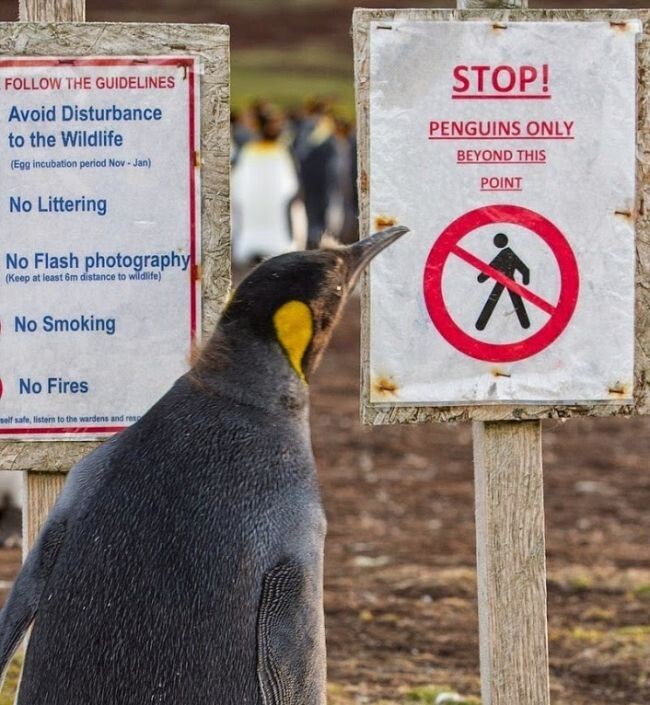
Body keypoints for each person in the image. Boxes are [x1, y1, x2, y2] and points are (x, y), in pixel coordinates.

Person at [232, 108, 306, 265]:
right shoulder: (279, 153)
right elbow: (293, 189)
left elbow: (237, 189)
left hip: (264, 232)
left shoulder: (249, 152)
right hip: (265, 236)